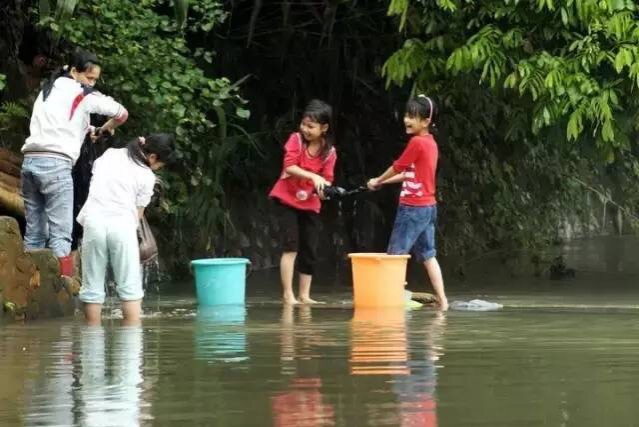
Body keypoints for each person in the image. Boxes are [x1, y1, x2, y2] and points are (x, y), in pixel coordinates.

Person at [20, 49, 128, 277]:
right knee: (61, 235)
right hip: (56, 166)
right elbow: (121, 114)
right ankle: (64, 290)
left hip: (29, 163)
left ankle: (32, 287)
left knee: (34, 234)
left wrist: (90, 129)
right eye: (90, 78)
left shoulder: (47, 90)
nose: (92, 83)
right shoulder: (84, 94)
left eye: (95, 80)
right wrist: (104, 129)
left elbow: (62, 122)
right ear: (75, 71)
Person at [77, 134, 174, 325]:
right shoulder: (147, 176)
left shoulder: (109, 155)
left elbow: (95, 178)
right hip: (122, 226)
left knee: (92, 289)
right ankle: (129, 346)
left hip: (93, 222)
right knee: (130, 290)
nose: (157, 168)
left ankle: (92, 344)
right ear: (153, 157)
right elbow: (137, 216)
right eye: (159, 165)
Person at [367, 95, 449, 310]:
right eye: (406, 115)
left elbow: (399, 167)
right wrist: (383, 184)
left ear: (426, 121)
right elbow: (410, 175)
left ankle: (391, 300)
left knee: (395, 255)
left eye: (412, 117)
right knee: (429, 255)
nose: (406, 120)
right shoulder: (431, 144)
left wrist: (378, 179)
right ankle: (443, 301)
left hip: (412, 208)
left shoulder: (417, 142)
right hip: (429, 208)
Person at [269, 100, 337, 305]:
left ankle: (304, 295)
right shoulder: (295, 140)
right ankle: (288, 295)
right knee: (291, 246)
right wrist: (314, 177)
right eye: (304, 124)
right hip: (286, 200)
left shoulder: (330, 153)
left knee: (310, 249)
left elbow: (326, 182)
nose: (305, 129)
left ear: (323, 128)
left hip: (310, 205)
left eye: (311, 126)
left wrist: (325, 191)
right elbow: (289, 167)